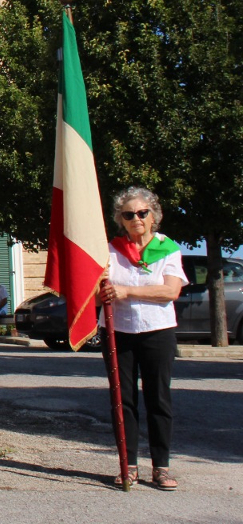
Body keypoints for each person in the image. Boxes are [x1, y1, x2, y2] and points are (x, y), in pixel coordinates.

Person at [99, 186, 185, 491]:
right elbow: (97, 287)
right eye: (128, 214)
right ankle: (128, 465)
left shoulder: (168, 249)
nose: (136, 218)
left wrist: (127, 291)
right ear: (120, 219)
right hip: (119, 331)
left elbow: (170, 291)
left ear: (153, 216)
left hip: (157, 331)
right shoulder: (110, 250)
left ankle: (161, 466)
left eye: (142, 213)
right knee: (123, 401)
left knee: (158, 399)